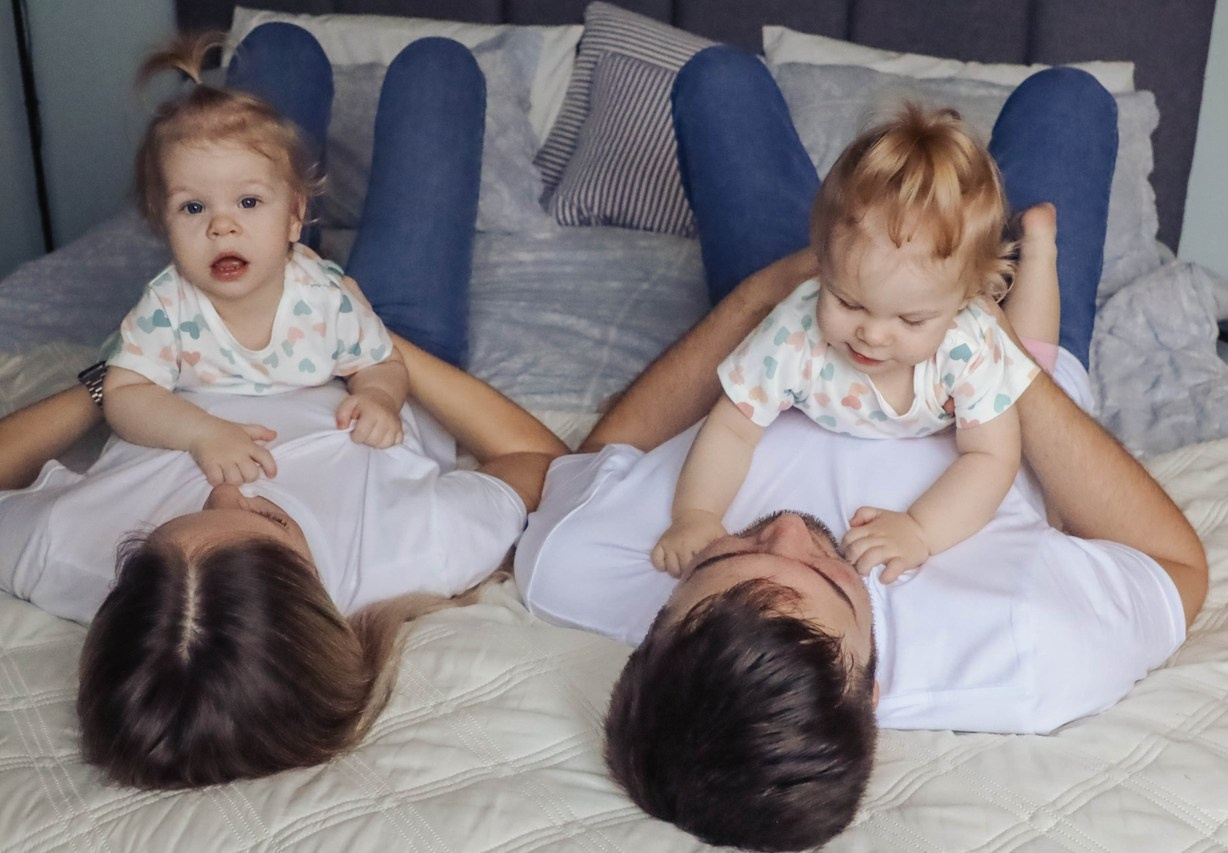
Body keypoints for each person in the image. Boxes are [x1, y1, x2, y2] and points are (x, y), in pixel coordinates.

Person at [513, 47, 1207, 852]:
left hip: (814, 303)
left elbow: (601, 458)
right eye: (823, 575)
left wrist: (802, 285)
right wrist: (965, 325)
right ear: (872, 684)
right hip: (972, 346)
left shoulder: (574, 569)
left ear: (656, 627)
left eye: (724, 558)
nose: (788, 531)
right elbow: (1179, 567)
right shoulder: (1022, 649)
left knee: (714, 80)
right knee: (1071, 95)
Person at [0, 23, 566, 790]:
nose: (234, 483)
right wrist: (374, 353)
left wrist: (108, 381)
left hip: (230, 324)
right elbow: (539, 460)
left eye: (175, 522)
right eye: (271, 520)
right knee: (440, 71)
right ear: (317, 600)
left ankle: (273, 144)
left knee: (275, 49)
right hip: (379, 340)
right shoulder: (406, 556)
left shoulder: (74, 556)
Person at [652, 104, 1056, 581]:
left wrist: (920, 530)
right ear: (820, 264)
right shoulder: (793, 334)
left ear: (963, 302)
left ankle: (1040, 247)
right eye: (847, 303)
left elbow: (992, 456)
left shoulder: (966, 344)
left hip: (988, 327)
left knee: (1034, 363)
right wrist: (696, 515)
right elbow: (732, 428)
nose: (872, 334)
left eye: (910, 319)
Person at [104, 33, 407, 487]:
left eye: (248, 202)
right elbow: (124, 395)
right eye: (193, 207)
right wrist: (201, 432)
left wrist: (379, 397)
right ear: (162, 223)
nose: (221, 227)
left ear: (294, 216)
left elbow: (381, 362)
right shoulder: (168, 305)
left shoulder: (323, 297)